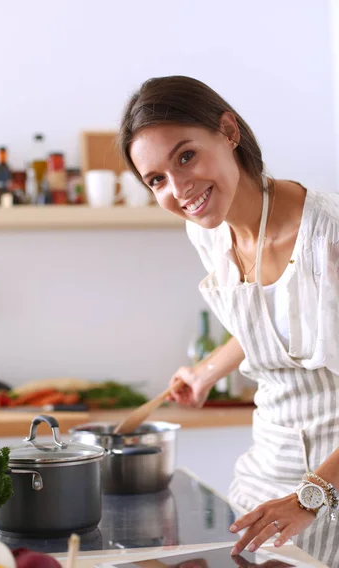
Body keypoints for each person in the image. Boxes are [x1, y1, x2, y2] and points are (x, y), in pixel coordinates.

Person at [118, 75, 339, 567]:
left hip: (331, 482)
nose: (179, 190)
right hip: (264, 475)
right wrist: (205, 373)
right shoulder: (210, 233)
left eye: (186, 156)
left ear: (228, 130)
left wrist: (312, 496)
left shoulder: (328, 238)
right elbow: (277, 320)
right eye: (156, 180)